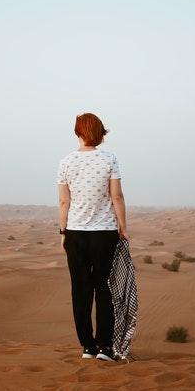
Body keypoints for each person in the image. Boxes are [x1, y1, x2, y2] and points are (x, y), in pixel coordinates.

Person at [57, 113, 129, 362]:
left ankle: (87, 347)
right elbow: (116, 197)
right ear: (100, 133)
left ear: (77, 133)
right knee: (104, 288)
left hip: (76, 234)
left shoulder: (66, 162)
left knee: (81, 290)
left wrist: (63, 231)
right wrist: (123, 226)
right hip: (104, 234)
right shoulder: (109, 159)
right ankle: (105, 348)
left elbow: (64, 201)